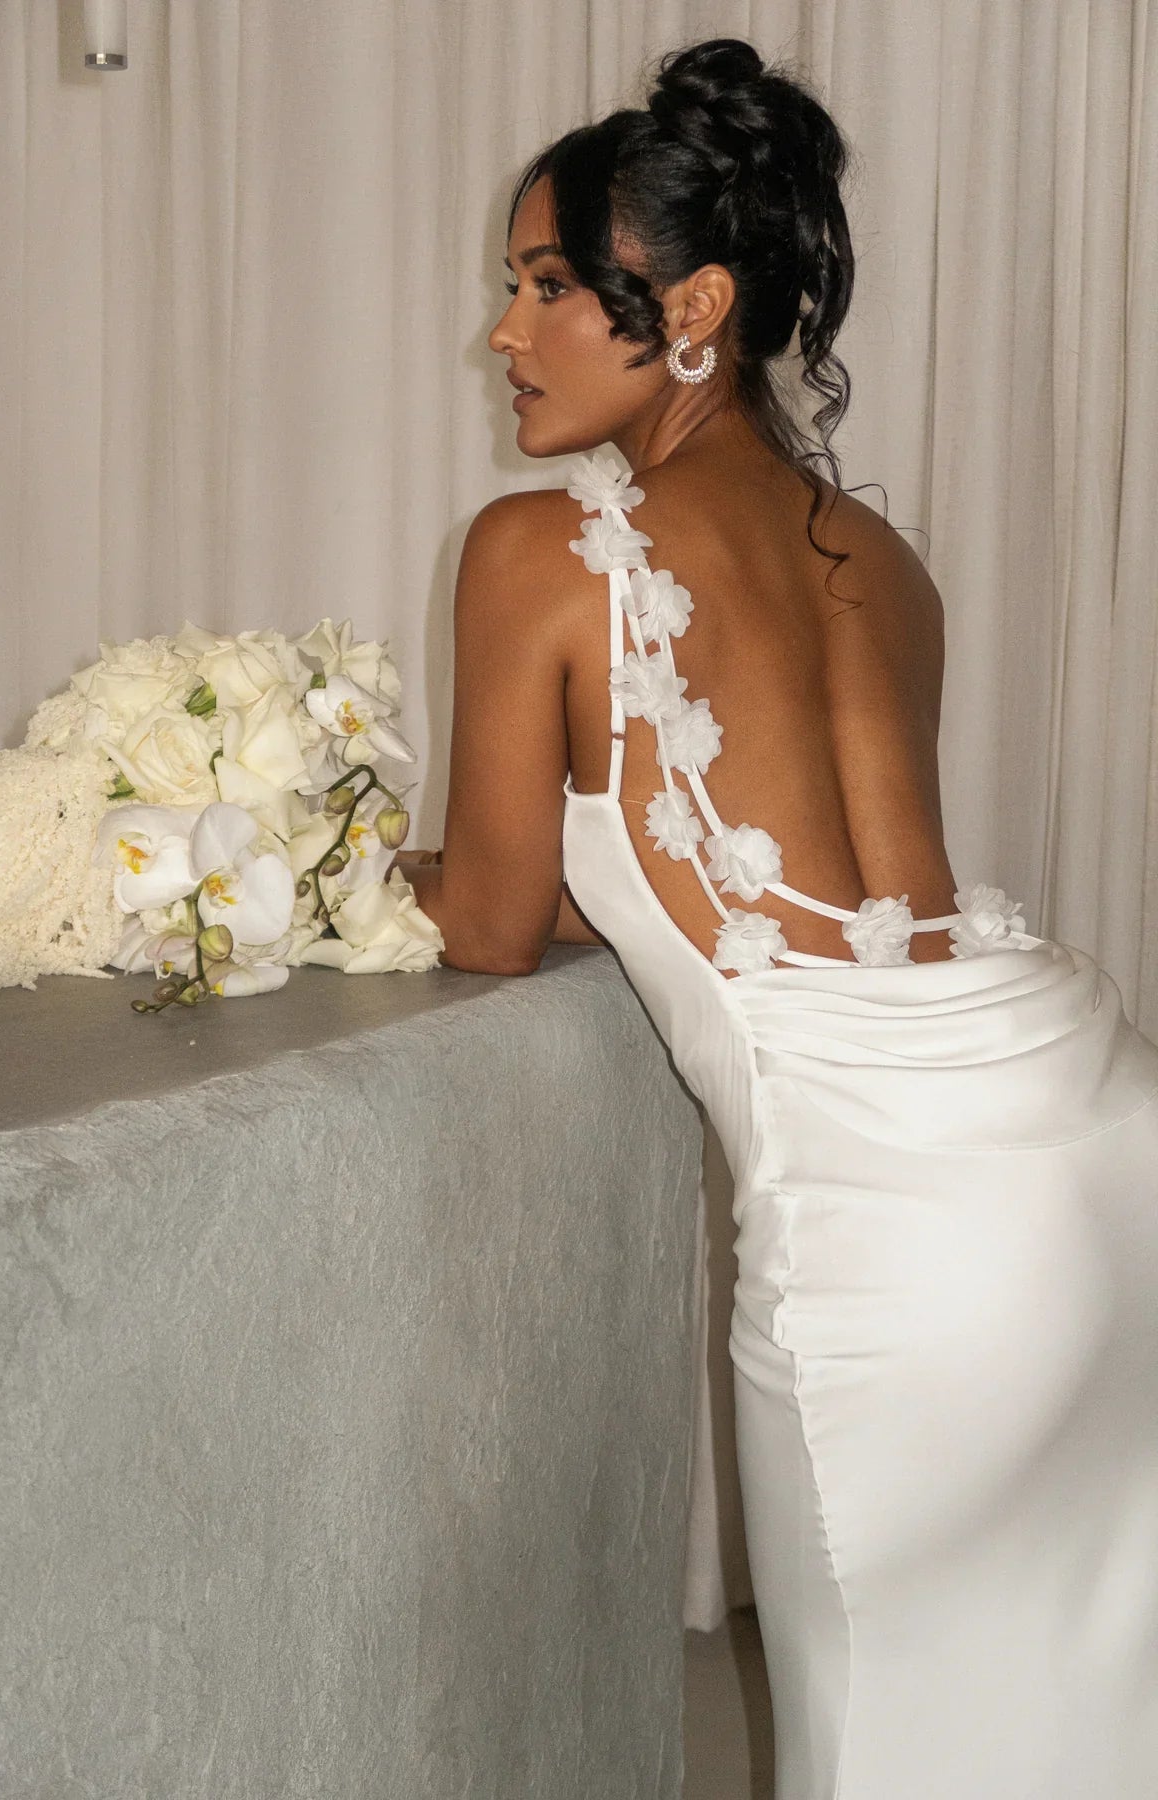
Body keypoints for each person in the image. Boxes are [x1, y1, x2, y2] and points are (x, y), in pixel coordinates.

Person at [395, 36, 1158, 1799]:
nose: (504, 332)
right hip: (1099, 1152)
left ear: (694, 307)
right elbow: (796, 886)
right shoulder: (886, 566)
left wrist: (338, 861)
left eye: (543, 286)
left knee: (875, 1743)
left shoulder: (534, 555)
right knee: (1084, 1722)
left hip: (897, 1239)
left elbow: (492, 924)